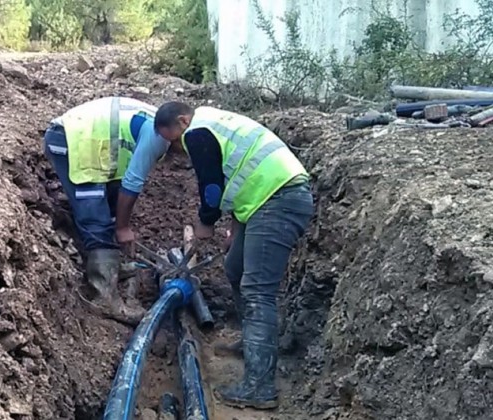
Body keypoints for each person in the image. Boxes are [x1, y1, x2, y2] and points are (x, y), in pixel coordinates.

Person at [153, 101, 314, 410]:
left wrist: (206, 222)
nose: (178, 149)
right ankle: (254, 345)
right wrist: (237, 227)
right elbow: (241, 173)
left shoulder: (197, 133)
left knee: (256, 291)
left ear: (183, 121)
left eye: (173, 139)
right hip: (267, 200)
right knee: (235, 268)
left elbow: (211, 187)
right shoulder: (214, 123)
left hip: (278, 200)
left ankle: (259, 387)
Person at [43, 97, 171, 325]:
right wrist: (122, 228)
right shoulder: (159, 136)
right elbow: (133, 182)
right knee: (95, 214)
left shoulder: (165, 123)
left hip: (96, 146)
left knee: (111, 204)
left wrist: (121, 222)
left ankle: (110, 268)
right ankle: (103, 296)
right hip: (72, 141)